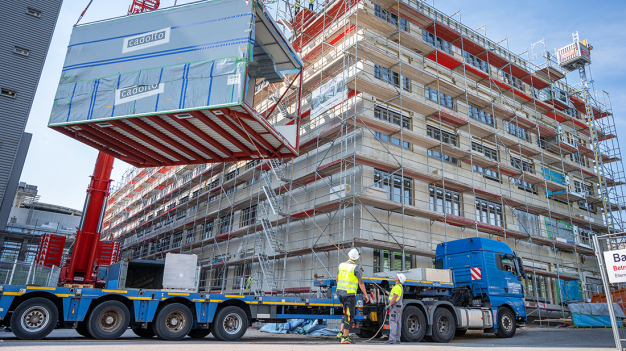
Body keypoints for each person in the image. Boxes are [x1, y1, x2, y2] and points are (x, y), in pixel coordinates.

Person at [336, 248, 370, 344]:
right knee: (349, 316)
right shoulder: (355, 267)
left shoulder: (341, 265)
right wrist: (366, 294)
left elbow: (337, 278)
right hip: (349, 295)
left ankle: (341, 333)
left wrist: (340, 287)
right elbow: (360, 282)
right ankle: (345, 337)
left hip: (341, 294)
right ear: (356, 258)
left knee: (345, 313)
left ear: (349, 256)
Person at [385, 273, 406, 344]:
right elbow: (393, 295)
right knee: (398, 323)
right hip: (398, 306)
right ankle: (397, 339)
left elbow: (395, 297)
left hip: (395, 306)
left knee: (393, 322)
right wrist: (386, 292)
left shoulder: (397, 287)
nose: (395, 276)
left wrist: (389, 305)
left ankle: (392, 339)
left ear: (398, 279)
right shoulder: (399, 286)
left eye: (397, 276)